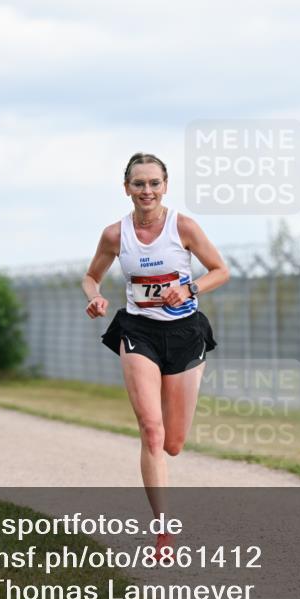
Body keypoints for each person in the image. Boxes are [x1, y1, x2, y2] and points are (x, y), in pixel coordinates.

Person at [84, 152, 230, 555]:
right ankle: (163, 531)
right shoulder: (116, 235)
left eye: (153, 183)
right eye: (138, 183)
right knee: (152, 431)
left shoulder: (182, 226)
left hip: (184, 332)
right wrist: (95, 297)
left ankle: (166, 468)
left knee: (174, 442)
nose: (146, 191)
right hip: (138, 332)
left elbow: (221, 270)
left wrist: (189, 289)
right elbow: (90, 276)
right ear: (126, 188)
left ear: (165, 186)